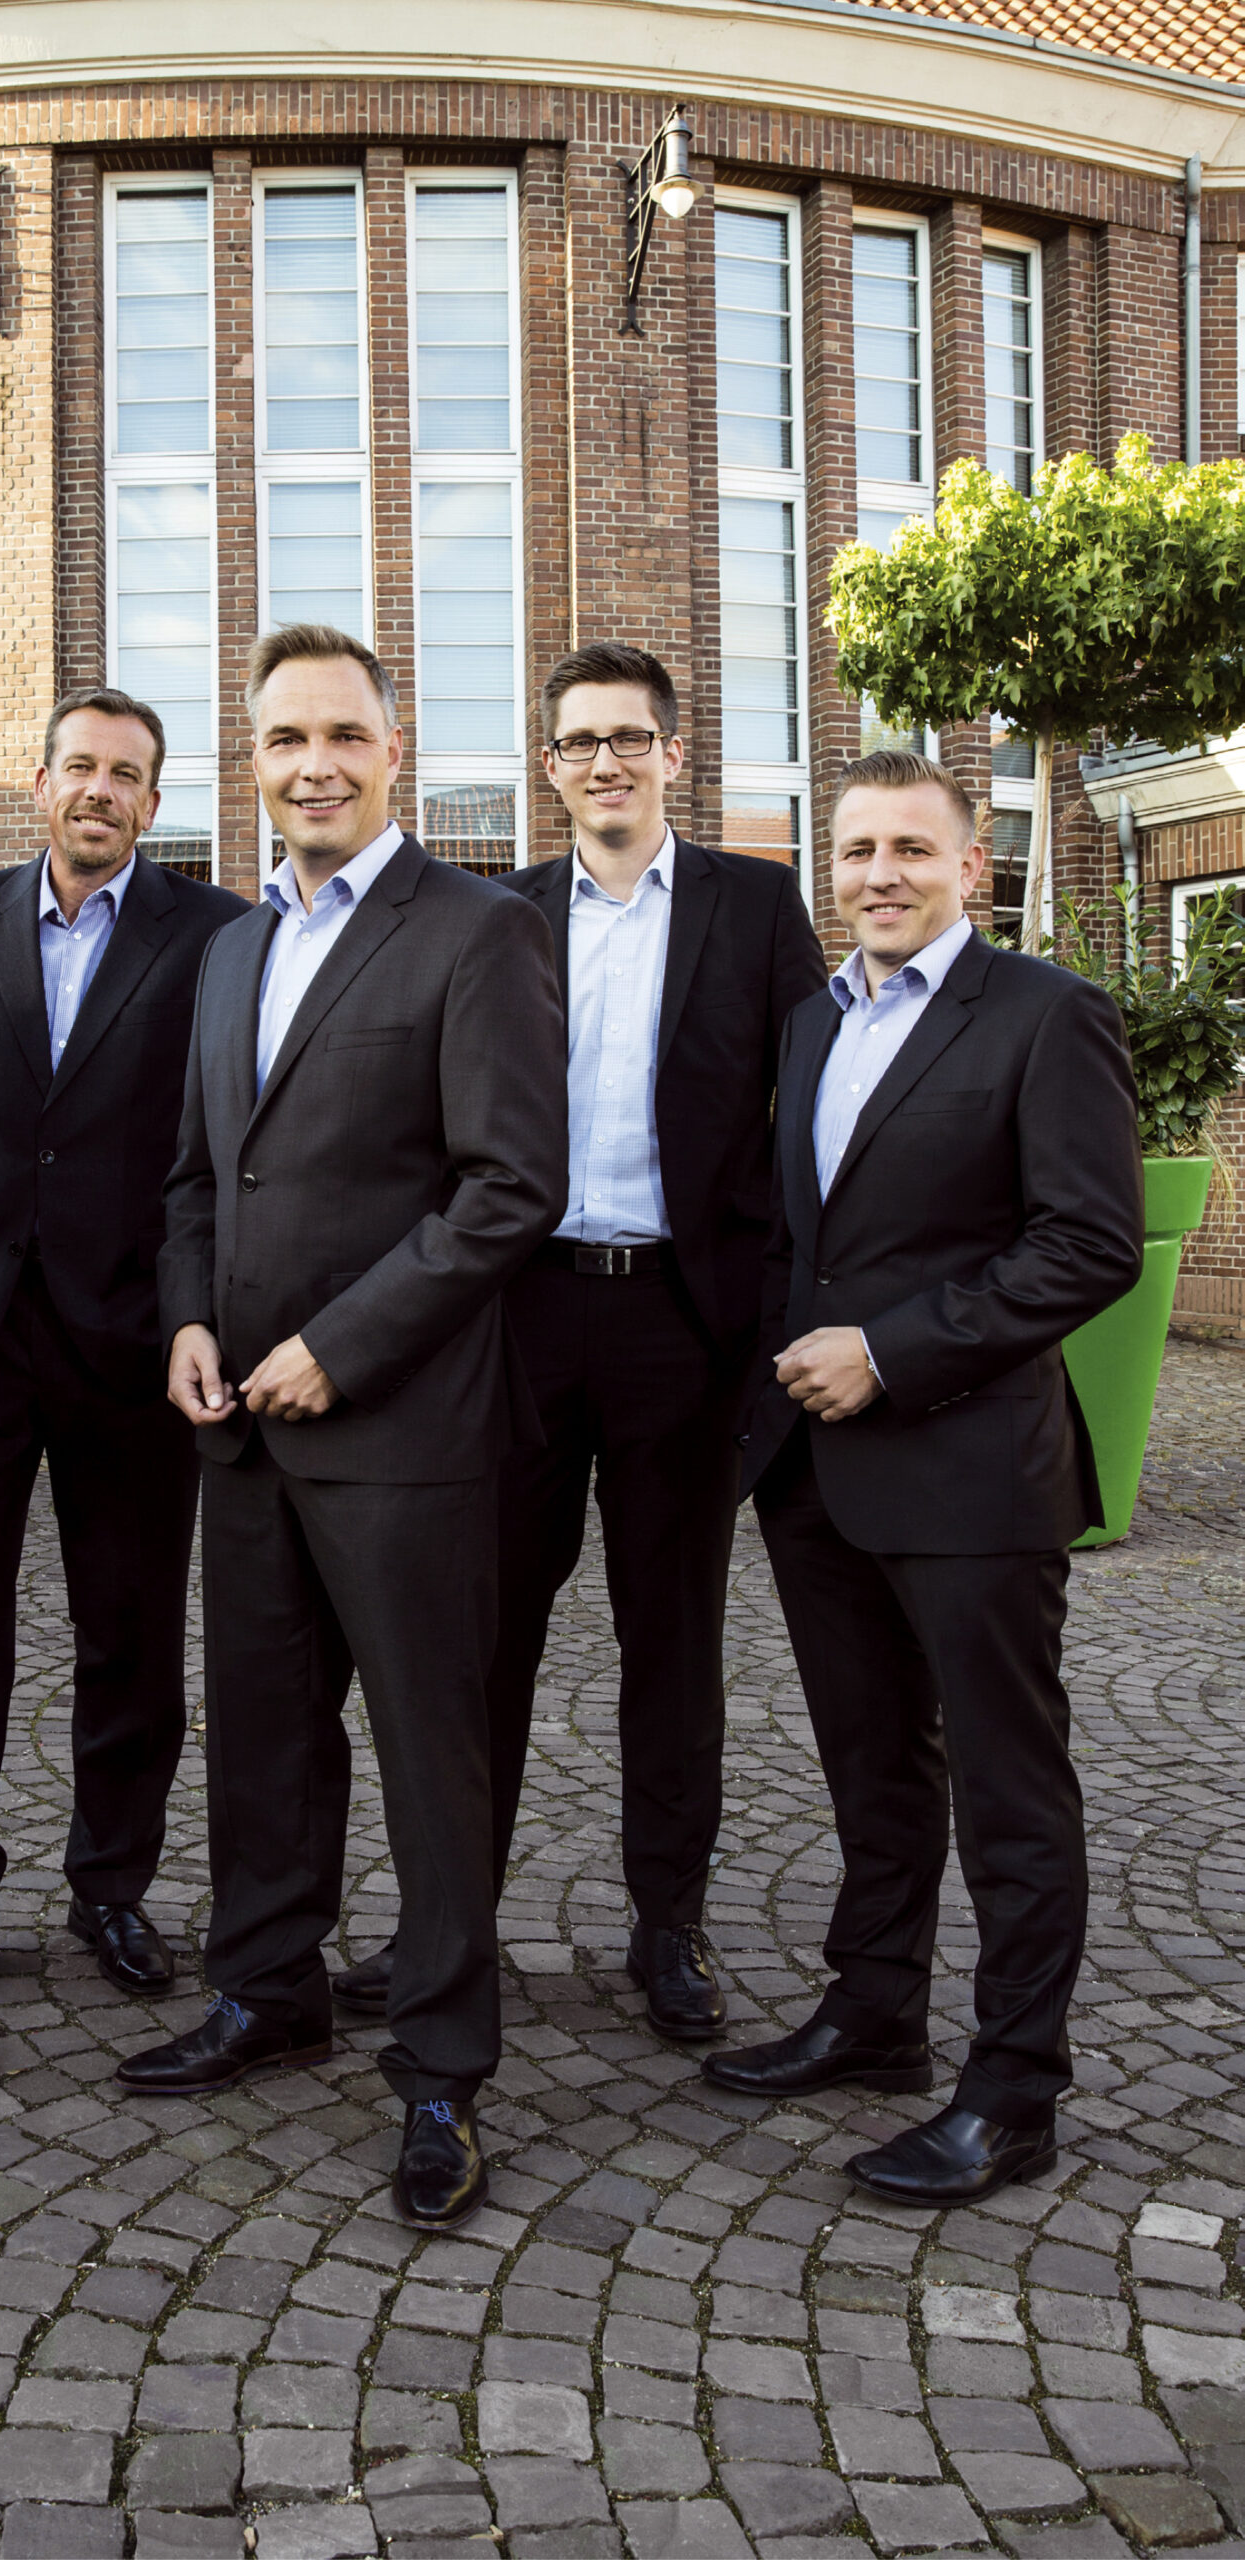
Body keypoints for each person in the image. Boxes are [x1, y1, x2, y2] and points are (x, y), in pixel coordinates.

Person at [119, 624, 568, 2231]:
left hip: (406, 1432)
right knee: (261, 1729)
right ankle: (266, 1990)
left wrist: (341, 1346)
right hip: (239, 1425)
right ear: (250, 762)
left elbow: (509, 1188)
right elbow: (196, 1175)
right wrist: (187, 1319)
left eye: (339, 736)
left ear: (394, 748)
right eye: (282, 739)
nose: (311, 765)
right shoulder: (233, 947)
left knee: (430, 1756)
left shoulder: (477, 930)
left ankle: (441, 2067)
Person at [329, 643, 825, 2039]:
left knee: (672, 1639)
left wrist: (778, 1314)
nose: (605, 761)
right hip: (521, 1318)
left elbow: (806, 1116)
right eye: (579, 742)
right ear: (546, 768)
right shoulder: (497, 915)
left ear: (674, 754)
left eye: (629, 737)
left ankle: (669, 1926)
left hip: (683, 1325)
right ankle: (449, 1929)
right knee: (483, 1637)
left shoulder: (755, 907)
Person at [703, 749, 1143, 2206]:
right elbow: (801, 1242)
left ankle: (1014, 2090)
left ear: (971, 867)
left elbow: (1087, 1245)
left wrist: (889, 1354)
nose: (878, 875)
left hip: (969, 1469)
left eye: (909, 849)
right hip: (818, 1474)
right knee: (871, 1765)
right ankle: (875, 2012)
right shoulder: (814, 1023)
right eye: (854, 851)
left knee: (1008, 1787)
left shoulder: (1044, 1014)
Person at [0, 688, 243, 1997]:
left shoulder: (216, 936)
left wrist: (197, 1311)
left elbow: (218, 1142)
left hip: (136, 1344)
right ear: (40, 785)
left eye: (125, 774)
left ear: (154, 801)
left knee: (130, 1634)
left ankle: (113, 1888)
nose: (99, 790)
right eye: (79, 767)